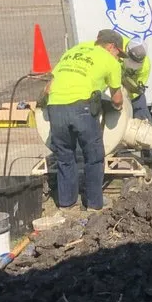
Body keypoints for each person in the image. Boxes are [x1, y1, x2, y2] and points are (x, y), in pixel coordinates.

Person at [46, 29, 124, 211]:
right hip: (81, 107)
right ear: (111, 46)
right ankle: (94, 204)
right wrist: (117, 107)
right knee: (94, 156)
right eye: (118, 53)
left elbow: (48, 87)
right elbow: (117, 98)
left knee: (65, 156)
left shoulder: (73, 52)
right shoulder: (110, 61)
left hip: (55, 107)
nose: (118, 57)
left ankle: (66, 204)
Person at [120, 38, 152, 179]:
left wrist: (124, 86)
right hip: (113, 94)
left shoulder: (145, 66)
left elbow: (137, 90)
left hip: (133, 97)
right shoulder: (118, 48)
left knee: (147, 131)